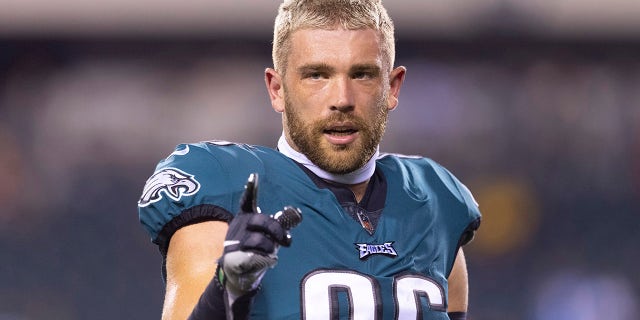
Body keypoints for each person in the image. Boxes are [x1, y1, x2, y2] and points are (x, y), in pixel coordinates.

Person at [138, 0, 481, 319]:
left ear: (392, 87)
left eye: (362, 74)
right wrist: (229, 287)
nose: (342, 99)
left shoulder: (436, 200)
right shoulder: (223, 184)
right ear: (278, 90)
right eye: (317, 75)